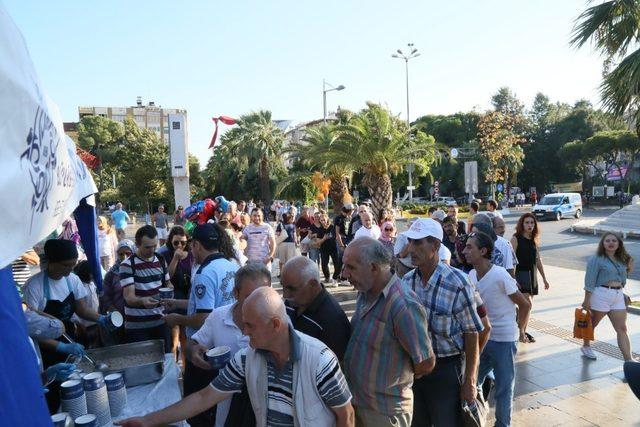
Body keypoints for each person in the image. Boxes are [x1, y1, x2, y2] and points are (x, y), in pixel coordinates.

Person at [117, 287, 355, 427]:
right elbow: (203, 398)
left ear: (274, 324)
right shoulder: (247, 358)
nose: (244, 331)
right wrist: (146, 421)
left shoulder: (320, 360)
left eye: (250, 325)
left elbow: (346, 415)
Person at [400, 218, 484, 427]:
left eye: (418, 243)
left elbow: (473, 333)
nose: (411, 248)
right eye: (410, 241)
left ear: (436, 246)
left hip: (448, 371)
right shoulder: (407, 282)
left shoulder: (458, 283)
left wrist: (470, 381)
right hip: (416, 371)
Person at [342, 237, 434, 426]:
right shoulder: (364, 292)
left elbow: (425, 362)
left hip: (385, 413)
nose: (344, 274)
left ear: (374, 268)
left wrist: (395, 378)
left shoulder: (403, 305)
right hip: (358, 404)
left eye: (351, 267)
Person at [23, 239, 114, 412]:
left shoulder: (72, 279)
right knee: (55, 395)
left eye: (73, 264)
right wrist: (61, 347)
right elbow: (32, 330)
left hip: (68, 337)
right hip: (47, 349)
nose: (70, 269)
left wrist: (101, 319)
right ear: (51, 262)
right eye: (66, 265)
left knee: (75, 389)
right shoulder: (34, 287)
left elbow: (82, 310)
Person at [187, 263, 271, 427]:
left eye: (263, 295)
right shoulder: (218, 316)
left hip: (266, 407)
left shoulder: (277, 321)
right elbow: (194, 342)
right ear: (235, 293)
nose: (258, 303)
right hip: (225, 405)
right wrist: (193, 351)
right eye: (249, 296)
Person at [464, 232, 531, 427]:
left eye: (470, 247)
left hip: (504, 340)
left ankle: (503, 424)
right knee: (472, 381)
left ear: (483, 251)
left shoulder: (500, 274)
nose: (464, 251)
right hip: (482, 338)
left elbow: (525, 304)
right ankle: (478, 416)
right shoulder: (470, 275)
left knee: (504, 388)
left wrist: (521, 331)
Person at [282, 256, 351, 360]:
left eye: (292, 289)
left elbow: (337, 365)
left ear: (313, 284)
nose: (285, 295)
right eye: (283, 286)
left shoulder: (333, 320)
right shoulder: (291, 303)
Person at [581, 233, 635, 361]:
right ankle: (586, 346)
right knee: (592, 324)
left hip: (617, 295)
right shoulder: (596, 259)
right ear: (603, 243)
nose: (611, 243)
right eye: (607, 241)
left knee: (622, 328)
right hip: (601, 294)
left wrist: (623, 290)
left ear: (618, 243)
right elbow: (589, 281)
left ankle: (629, 360)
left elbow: (622, 277)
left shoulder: (621, 258)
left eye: (614, 240)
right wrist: (586, 300)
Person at [120, 225, 172, 351]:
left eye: (155, 246)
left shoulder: (160, 259)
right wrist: (142, 301)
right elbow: (129, 297)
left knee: (164, 362)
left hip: (161, 322)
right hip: (137, 327)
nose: (152, 250)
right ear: (137, 244)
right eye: (148, 247)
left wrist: (170, 291)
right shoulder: (127, 265)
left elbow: (168, 283)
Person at [511, 213, 550, 343]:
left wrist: (544, 278)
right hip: (520, 275)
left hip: (532, 276)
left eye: (532, 223)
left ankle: (523, 331)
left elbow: (538, 260)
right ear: (522, 224)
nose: (530, 225)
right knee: (527, 304)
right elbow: (511, 261)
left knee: (528, 307)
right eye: (527, 222)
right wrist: (513, 278)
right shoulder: (515, 239)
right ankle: (521, 333)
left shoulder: (534, 239)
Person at [157, 226, 194, 360]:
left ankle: (184, 370)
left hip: (187, 298)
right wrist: (175, 259)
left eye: (183, 243)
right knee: (173, 339)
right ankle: (172, 368)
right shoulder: (165, 255)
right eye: (176, 242)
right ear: (170, 242)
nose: (179, 245)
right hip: (172, 298)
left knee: (186, 338)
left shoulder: (191, 255)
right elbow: (167, 277)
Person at [72, 261, 101, 348]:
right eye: (93, 273)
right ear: (87, 273)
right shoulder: (79, 287)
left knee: (96, 345)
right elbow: (74, 308)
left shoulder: (92, 284)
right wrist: (78, 324)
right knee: (86, 346)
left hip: (95, 321)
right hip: (83, 325)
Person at [310, 212, 341, 286]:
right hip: (324, 248)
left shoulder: (332, 227)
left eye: (324, 220)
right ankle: (327, 277)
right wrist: (323, 239)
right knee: (324, 264)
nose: (323, 221)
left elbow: (338, 236)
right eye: (321, 220)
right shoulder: (320, 230)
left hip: (334, 248)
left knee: (336, 264)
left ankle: (335, 278)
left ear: (327, 219)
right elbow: (317, 243)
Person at [334, 203, 354, 276]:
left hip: (348, 240)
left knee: (347, 260)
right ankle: (335, 277)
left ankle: (343, 277)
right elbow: (337, 233)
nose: (353, 211)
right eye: (352, 210)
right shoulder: (339, 218)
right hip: (341, 240)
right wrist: (341, 245)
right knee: (340, 259)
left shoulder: (350, 217)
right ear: (348, 210)